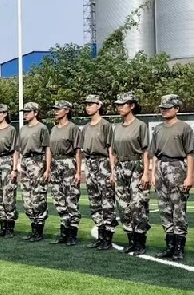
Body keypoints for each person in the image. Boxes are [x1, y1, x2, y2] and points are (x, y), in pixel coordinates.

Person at [150, 94, 194, 261]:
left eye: (168, 108)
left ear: (176, 109)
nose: (164, 110)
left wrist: (189, 177)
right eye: (162, 108)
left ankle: (179, 247)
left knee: (178, 209)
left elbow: (190, 154)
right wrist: (153, 173)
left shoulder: (184, 128)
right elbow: (154, 154)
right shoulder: (158, 128)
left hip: (177, 166)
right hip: (161, 167)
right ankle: (169, 245)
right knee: (164, 208)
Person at [112, 93, 151, 256]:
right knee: (123, 205)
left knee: (138, 205)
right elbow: (113, 152)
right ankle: (131, 241)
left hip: (136, 165)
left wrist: (146, 173)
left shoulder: (140, 125)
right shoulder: (117, 128)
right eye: (118, 104)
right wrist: (113, 171)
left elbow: (145, 151)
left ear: (132, 105)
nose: (119, 107)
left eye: (123, 104)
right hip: (121, 167)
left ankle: (140, 242)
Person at [81, 94, 117, 250]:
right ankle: (100, 234)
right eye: (87, 104)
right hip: (90, 164)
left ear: (98, 105)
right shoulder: (86, 127)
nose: (88, 107)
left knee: (107, 201)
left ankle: (108, 236)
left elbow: (111, 149)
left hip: (103, 163)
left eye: (91, 104)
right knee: (94, 201)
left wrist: (112, 170)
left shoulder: (105, 125)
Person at [47, 101, 83, 246]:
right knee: (59, 199)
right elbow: (49, 149)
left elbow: (78, 151)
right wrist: (48, 168)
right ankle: (64, 231)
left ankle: (72, 233)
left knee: (71, 198)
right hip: (55, 164)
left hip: (68, 163)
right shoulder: (54, 129)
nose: (56, 111)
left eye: (59, 109)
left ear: (67, 110)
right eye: (55, 109)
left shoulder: (73, 128)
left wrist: (78, 171)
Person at [16, 102, 51, 242]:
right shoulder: (23, 129)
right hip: (25, 161)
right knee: (27, 198)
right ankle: (33, 227)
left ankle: (39, 230)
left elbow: (47, 148)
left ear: (36, 113)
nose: (25, 114)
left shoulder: (42, 128)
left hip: (37, 161)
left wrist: (47, 168)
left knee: (38, 196)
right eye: (24, 112)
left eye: (28, 111)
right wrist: (17, 164)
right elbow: (18, 148)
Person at [0, 104, 19, 238]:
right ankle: (3, 226)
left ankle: (10, 227)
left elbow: (15, 150)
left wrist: (14, 169)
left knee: (9, 195)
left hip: (7, 161)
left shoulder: (11, 129)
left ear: (5, 114)